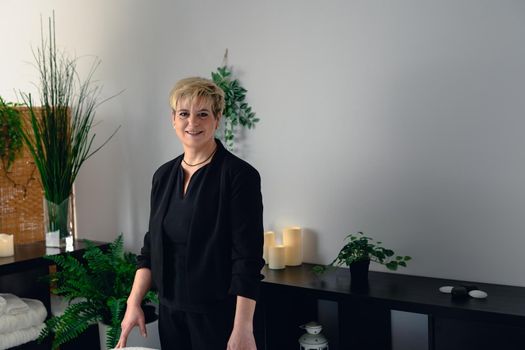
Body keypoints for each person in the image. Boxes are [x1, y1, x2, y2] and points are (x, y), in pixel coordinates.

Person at [115, 77, 264, 350]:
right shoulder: (162, 176)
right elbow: (151, 249)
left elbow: (248, 260)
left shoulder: (239, 176)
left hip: (219, 316)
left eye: (203, 114)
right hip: (170, 313)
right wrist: (133, 303)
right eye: (184, 113)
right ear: (173, 119)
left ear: (217, 120)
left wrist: (243, 327)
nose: (192, 122)